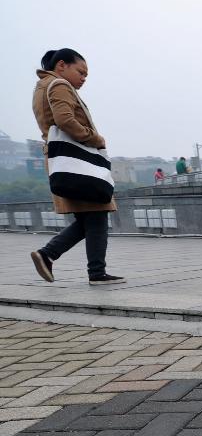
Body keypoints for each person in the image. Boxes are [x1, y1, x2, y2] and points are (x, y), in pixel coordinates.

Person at [30, 48, 124, 285]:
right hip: (79, 162)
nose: (83, 78)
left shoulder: (42, 86)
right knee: (98, 214)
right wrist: (95, 139)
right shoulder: (60, 85)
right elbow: (65, 120)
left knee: (89, 219)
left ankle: (51, 255)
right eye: (80, 72)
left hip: (64, 161)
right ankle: (94, 272)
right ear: (62, 65)